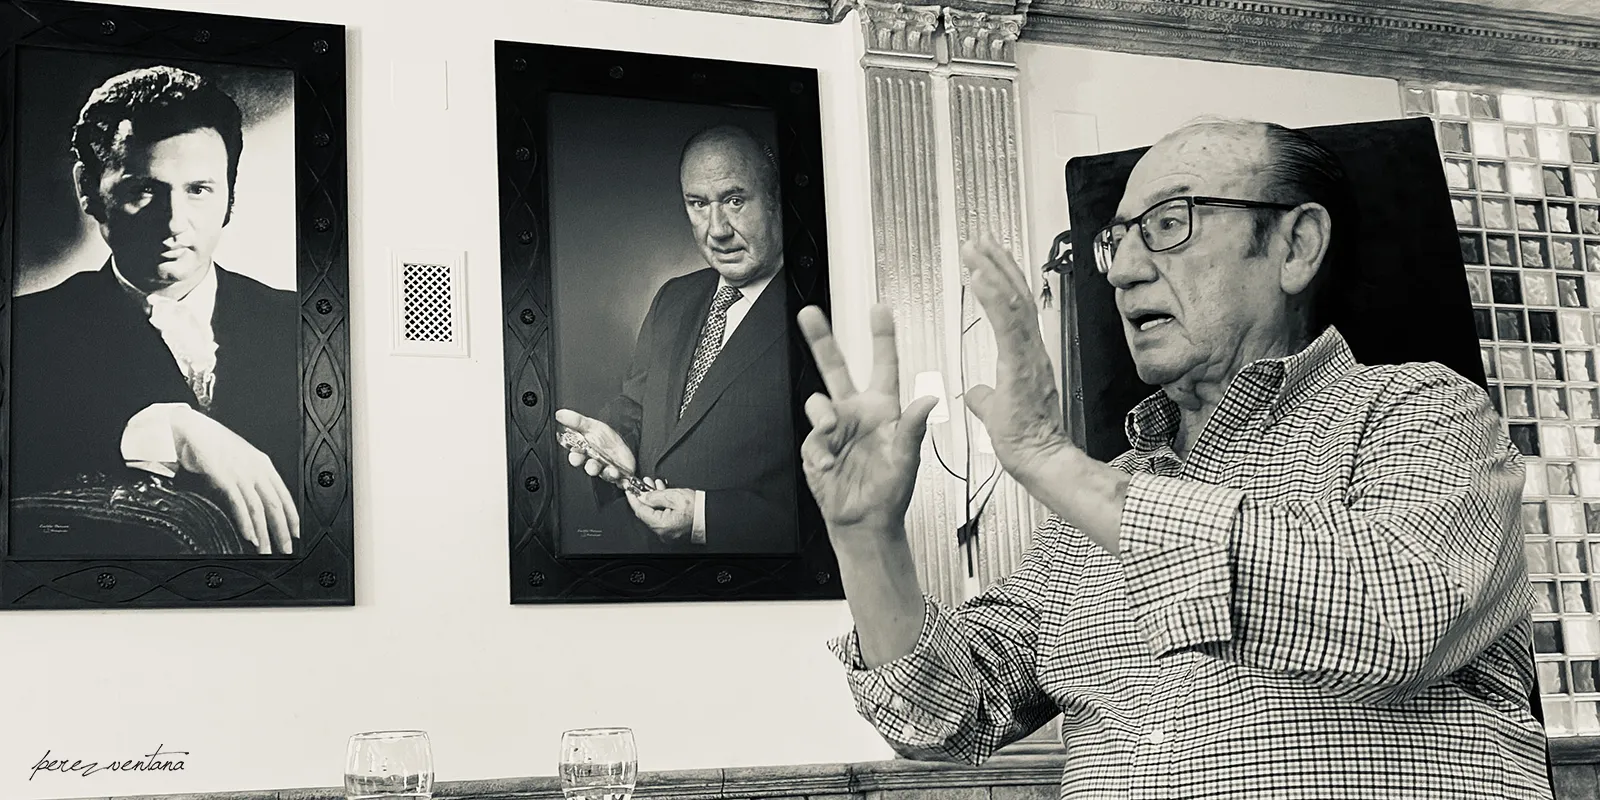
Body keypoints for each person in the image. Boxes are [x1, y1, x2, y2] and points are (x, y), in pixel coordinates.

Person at [798, 118, 1548, 798]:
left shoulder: (1422, 411)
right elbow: (942, 715)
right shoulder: (1099, 500)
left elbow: (1400, 612)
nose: (1121, 269)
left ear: (1296, 246)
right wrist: (868, 539)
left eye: (1167, 225)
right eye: (1116, 238)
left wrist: (1052, 462)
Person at [9, 65, 300, 556]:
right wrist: (166, 427)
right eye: (143, 189)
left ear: (230, 193)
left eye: (199, 190)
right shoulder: (23, 330)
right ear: (88, 189)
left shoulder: (304, 324)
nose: (174, 223)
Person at [555, 124, 798, 554]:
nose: (717, 229)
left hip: (763, 592)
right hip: (655, 583)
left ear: (777, 200)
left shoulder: (817, 313)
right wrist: (618, 443)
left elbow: (838, 500)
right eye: (698, 204)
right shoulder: (674, 297)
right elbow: (638, 403)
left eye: (735, 201)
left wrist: (704, 519)